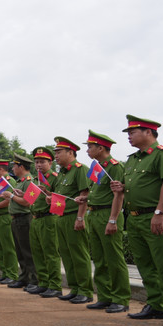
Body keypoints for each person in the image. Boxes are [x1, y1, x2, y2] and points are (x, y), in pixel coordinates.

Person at [112, 115, 163, 326]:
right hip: (135, 218)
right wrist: (122, 188)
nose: (129, 136)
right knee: (145, 264)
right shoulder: (132, 159)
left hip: (156, 216)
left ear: (148, 132)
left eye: (132, 132)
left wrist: (160, 212)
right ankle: (156, 304)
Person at [78, 131, 129, 313]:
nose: (87, 150)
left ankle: (120, 298)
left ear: (100, 148)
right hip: (94, 213)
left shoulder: (115, 167)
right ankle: (105, 296)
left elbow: (118, 195)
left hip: (108, 213)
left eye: (90, 147)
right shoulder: (98, 167)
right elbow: (98, 192)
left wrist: (113, 219)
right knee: (99, 259)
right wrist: (85, 199)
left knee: (114, 258)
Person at [51, 137, 93, 303]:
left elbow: (84, 194)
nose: (56, 156)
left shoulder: (80, 169)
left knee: (79, 254)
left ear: (70, 153)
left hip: (74, 216)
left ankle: (85, 290)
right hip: (61, 217)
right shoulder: (62, 173)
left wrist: (80, 217)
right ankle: (74, 288)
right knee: (67, 255)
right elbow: (63, 196)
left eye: (59, 152)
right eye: (55, 153)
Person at [28, 148, 63, 298]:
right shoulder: (36, 179)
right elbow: (30, 200)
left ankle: (55, 285)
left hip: (48, 218)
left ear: (50, 162)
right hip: (36, 218)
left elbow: (60, 201)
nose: (38, 165)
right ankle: (43, 282)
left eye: (42, 162)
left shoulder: (55, 178)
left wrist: (49, 194)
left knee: (50, 253)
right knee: (38, 253)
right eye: (36, 162)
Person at [0, 154, 38, 289]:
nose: (13, 169)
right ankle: (24, 277)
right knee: (20, 251)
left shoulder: (29, 181)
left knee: (27, 251)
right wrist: (11, 197)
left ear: (21, 167)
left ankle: (34, 279)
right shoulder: (21, 182)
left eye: (14, 166)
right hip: (16, 219)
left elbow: (27, 202)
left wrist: (11, 196)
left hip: (24, 218)